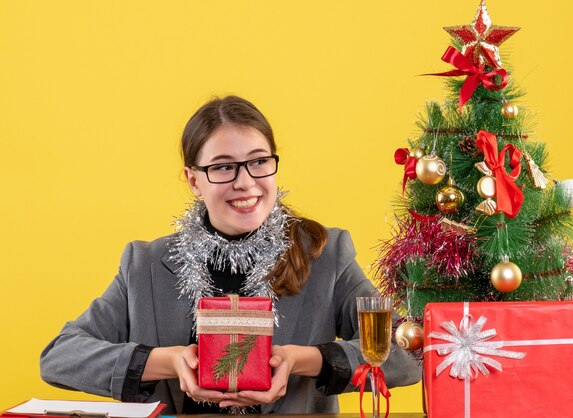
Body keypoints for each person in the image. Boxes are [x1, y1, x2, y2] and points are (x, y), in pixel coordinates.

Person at [40, 96, 421, 414]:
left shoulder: (325, 253)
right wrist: (167, 361)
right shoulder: (146, 264)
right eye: (223, 167)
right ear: (193, 180)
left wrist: (301, 360)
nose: (245, 181)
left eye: (258, 161)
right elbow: (60, 356)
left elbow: (407, 352)